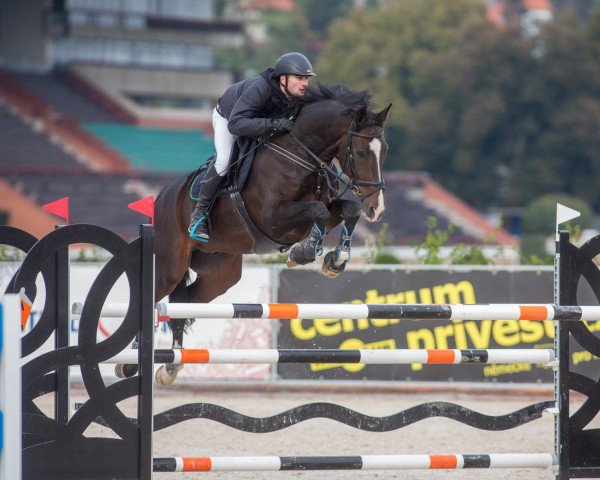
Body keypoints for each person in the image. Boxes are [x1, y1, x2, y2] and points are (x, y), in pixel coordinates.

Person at [188, 52, 317, 242]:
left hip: (257, 124)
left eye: (306, 78)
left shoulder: (298, 96)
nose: (304, 83)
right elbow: (236, 125)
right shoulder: (260, 89)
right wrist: (272, 125)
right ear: (283, 78)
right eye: (299, 78)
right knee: (224, 161)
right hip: (229, 118)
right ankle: (199, 215)